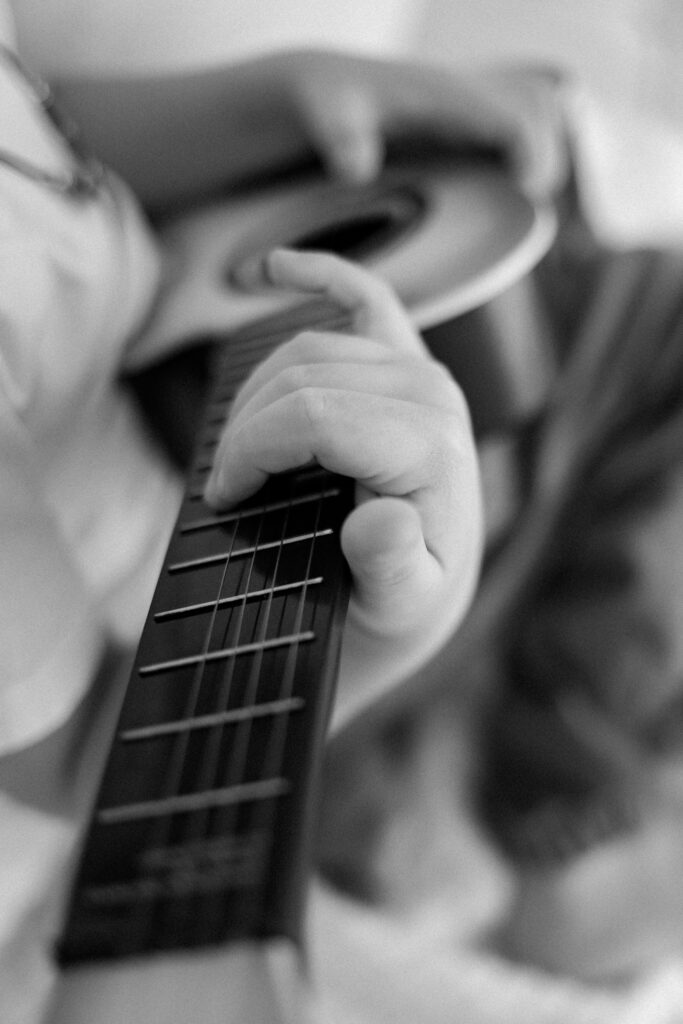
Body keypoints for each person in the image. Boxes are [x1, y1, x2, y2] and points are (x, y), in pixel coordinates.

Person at [0, 2, 574, 1021]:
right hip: (158, 619)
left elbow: (44, 145)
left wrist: (274, 98)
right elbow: (87, 752)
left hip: (188, 347)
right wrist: (394, 634)